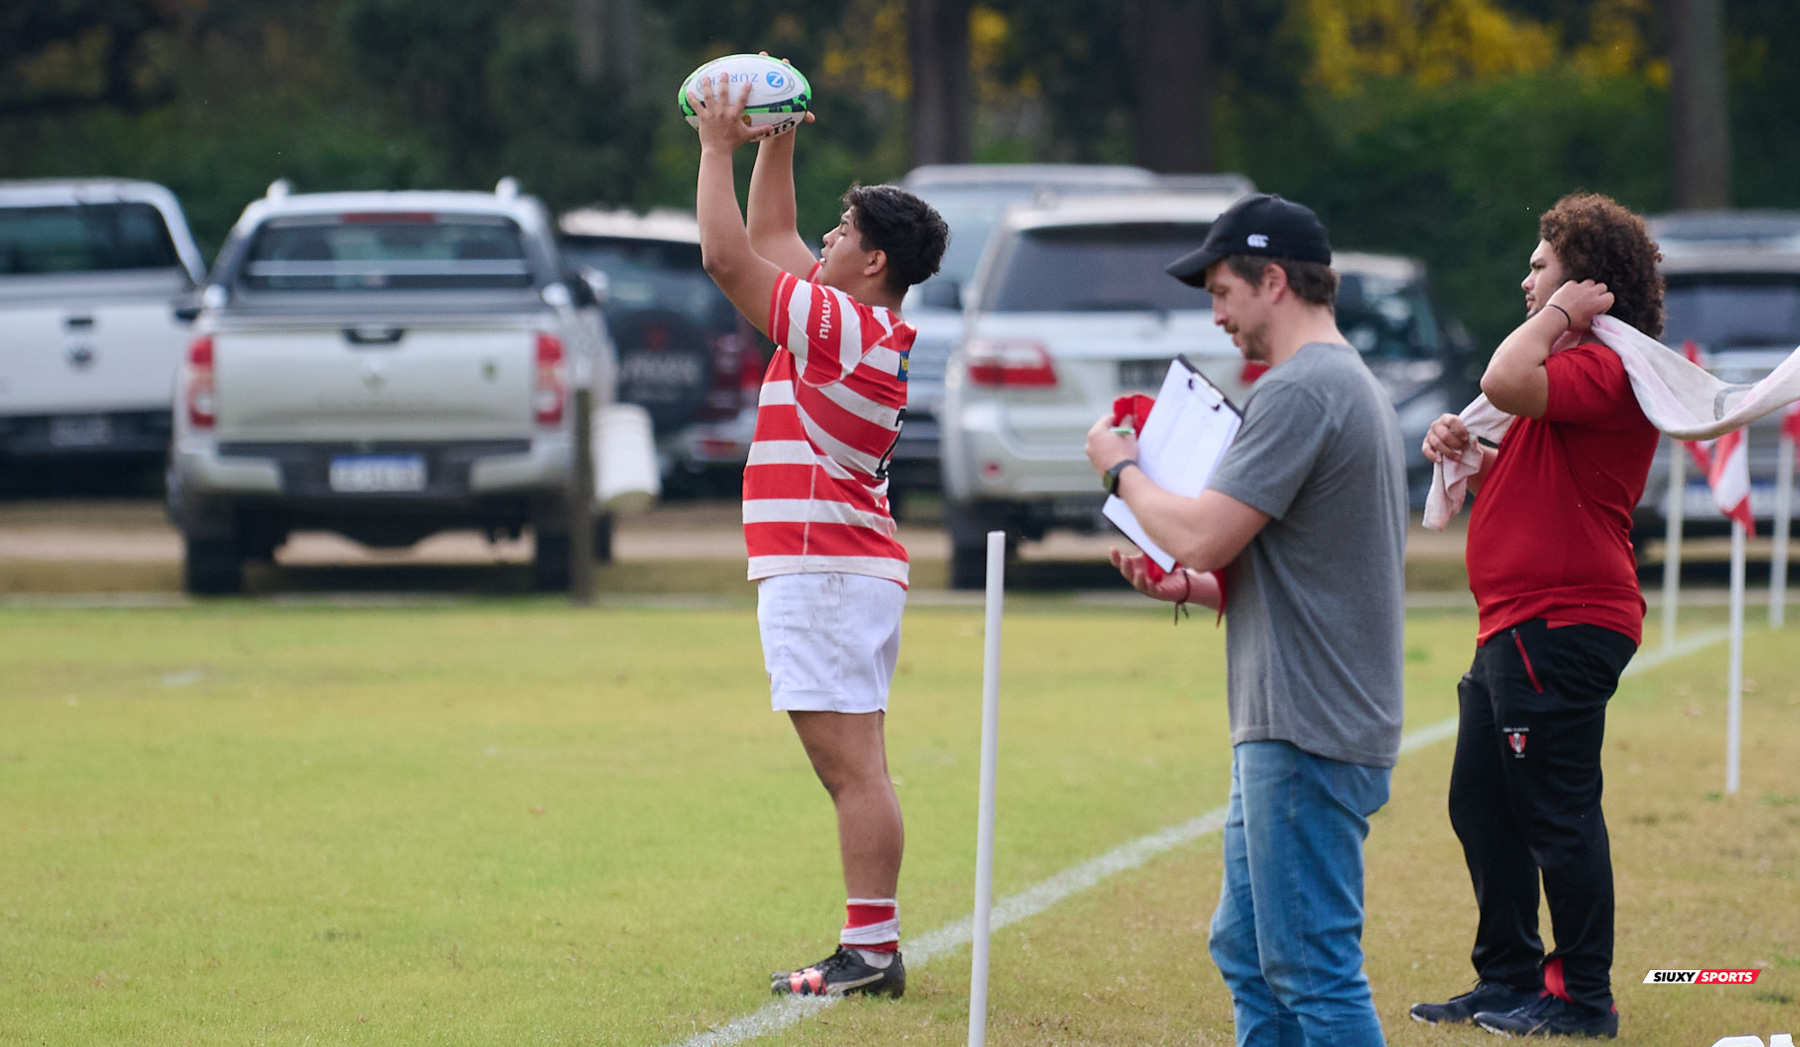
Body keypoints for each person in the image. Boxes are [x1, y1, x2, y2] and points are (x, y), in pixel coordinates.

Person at [1084, 193, 1407, 1047]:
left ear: (1274, 280)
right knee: (1249, 947)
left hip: (1306, 725)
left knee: (1311, 967)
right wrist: (1191, 589)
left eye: (1224, 291)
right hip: (1303, 717)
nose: (1216, 314)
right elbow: (1307, 564)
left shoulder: (1303, 389)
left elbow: (1201, 529)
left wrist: (1121, 471)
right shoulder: (1341, 382)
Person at [686, 73, 948, 998]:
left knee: (849, 770)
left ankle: (872, 953)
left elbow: (728, 258)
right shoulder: (861, 322)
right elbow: (766, 241)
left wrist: (720, 144)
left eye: (841, 236)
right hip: (843, 565)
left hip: (827, 567)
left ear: (874, 262)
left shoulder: (841, 325)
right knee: (857, 765)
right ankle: (872, 944)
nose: (823, 242)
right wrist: (778, 136)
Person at [1409, 193, 1664, 1039]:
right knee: (1481, 803)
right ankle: (1509, 977)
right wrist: (1472, 456)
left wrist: (1559, 315)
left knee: (1556, 812)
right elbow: (1536, 473)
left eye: (1541, 266)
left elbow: (1502, 379)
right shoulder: (1576, 372)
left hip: (1561, 620)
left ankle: (1583, 1001)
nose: (1527, 281)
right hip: (1515, 624)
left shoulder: (1603, 362)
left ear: (1588, 285)